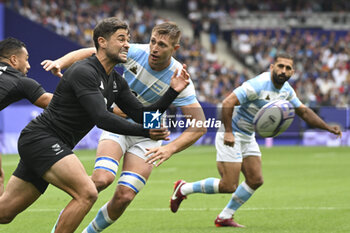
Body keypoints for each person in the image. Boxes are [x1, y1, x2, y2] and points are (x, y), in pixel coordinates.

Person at [0, 18, 190, 233]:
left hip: (47, 144)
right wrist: (146, 131)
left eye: (128, 40)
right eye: (121, 39)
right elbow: (102, 118)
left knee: (4, 214)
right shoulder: (84, 71)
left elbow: (143, 115)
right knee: (87, 193)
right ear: (102, 42)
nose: (127, 44)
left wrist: (173, 91)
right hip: (42, 139)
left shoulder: (116, 82)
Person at [170, 53, 342, 227]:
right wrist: (228, 132)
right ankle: (183, 188)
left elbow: (304, 112)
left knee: (255, 180)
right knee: (229, 185)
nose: (283, 71)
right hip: (231, 133)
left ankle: (224, 217)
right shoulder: (258, 85)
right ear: (272, 67)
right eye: (280, 66)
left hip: (247, 135)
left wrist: (327, 127)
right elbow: (227, 103)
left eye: (288, 68)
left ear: (292, 72)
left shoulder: (287, 90)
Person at [0, 37, 53, 196]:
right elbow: (55, 103)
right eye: (27, 59)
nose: (29, 65)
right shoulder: (19, 81)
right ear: (14, 60)